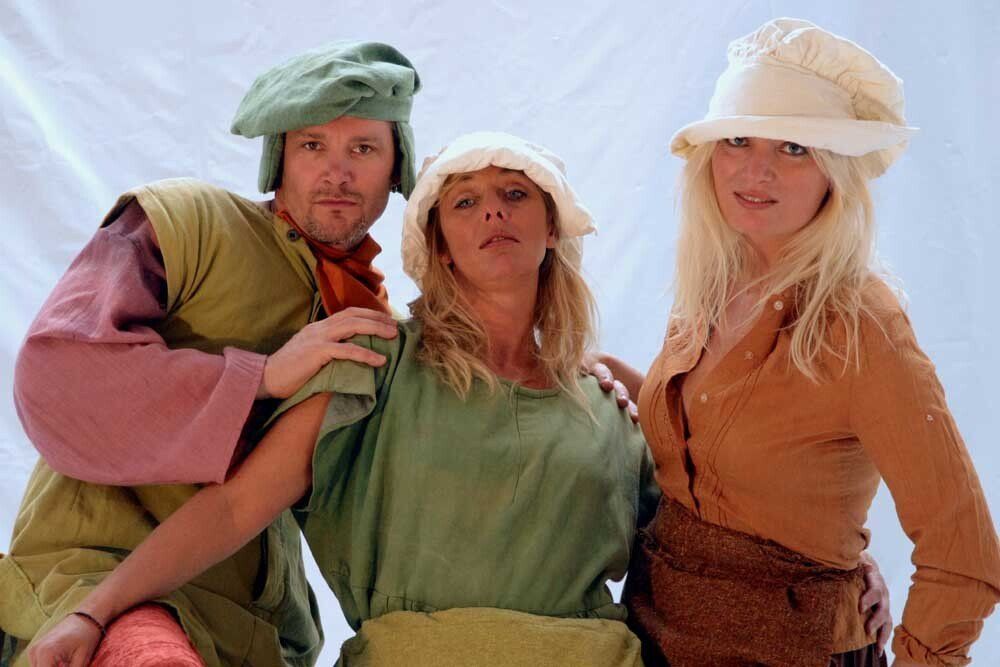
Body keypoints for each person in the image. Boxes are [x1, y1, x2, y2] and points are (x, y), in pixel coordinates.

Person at [25, 131, 660, 667]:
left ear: (552, 227)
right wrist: (91, 612)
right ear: (439, 246)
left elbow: (673, 569)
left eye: (515, 194)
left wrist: (633, 387)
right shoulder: (375, 363)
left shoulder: (610, 407)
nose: (493, 212)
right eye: (465, 202)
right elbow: (236, 507)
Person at [0, 41, 421, 666]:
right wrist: (263, 377)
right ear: (279, 159)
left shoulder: (372, 321)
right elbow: (55, 374)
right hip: (100, 575)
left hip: (257, 626)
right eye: (312, 145)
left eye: (363, 149)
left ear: (397, 167)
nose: (337, 173)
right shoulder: (187, 224)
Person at [604, 18, 1000, 667]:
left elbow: (965, 552)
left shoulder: (861, 325)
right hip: (658, 636)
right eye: (737, 140)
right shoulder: (713, 283)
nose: (756, 170)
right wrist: (598, 371)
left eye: (793, 147)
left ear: (834, 173)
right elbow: (714, 442)